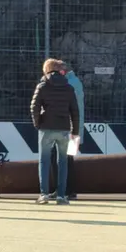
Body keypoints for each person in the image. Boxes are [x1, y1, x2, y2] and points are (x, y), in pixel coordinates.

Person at [30, 58, 79, 205]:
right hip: (64, 128)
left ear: (47, 69)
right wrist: (75, 131)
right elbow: (75, 111)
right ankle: (61, 196)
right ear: (59, 70)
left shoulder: (42, 86)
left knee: (44, 161)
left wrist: (38, 123)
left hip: (46, 127)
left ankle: (44, 194)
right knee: (63, 162)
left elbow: (34, 107)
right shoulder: (69, 88)